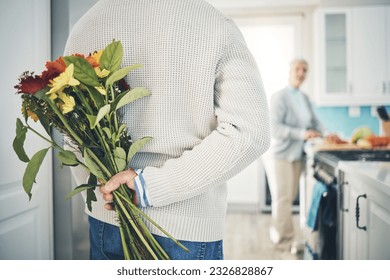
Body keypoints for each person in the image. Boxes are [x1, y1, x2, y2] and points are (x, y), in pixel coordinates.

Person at [64, 0, 270, 260]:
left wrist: (106, 193)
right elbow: (249, 132)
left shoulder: (87, 24)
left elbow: (71, 131)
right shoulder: (214, 23)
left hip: (107, 222)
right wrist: (147, 187)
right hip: (185, 229)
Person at [262, 58, 339, 255]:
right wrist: (302, 134)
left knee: (289, 199)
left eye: (305, 70)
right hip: (279, 155)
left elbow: (315, 121)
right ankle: (283, 243)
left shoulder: (303, 98)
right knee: (282, 199)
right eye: (298, 68)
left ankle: (286, 237)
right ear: (290, 71)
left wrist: (327, 132)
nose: (301, 73)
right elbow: (275, 128)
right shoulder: (279, 97)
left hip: (296, 155)